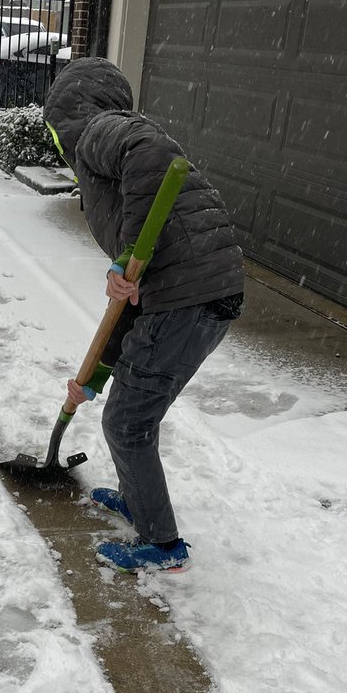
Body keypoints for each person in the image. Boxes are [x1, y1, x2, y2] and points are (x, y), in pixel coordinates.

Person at [43, 57, 245, 573]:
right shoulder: (104, 147)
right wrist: (91, 379)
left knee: (129, 423)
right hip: (192, 293)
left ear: (64, 109)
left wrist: (127, 252)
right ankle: (140, 504)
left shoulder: (99, 130)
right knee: (130, 415)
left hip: (188, 297)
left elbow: (152, 153)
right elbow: (130, 302)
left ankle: (161, 545)